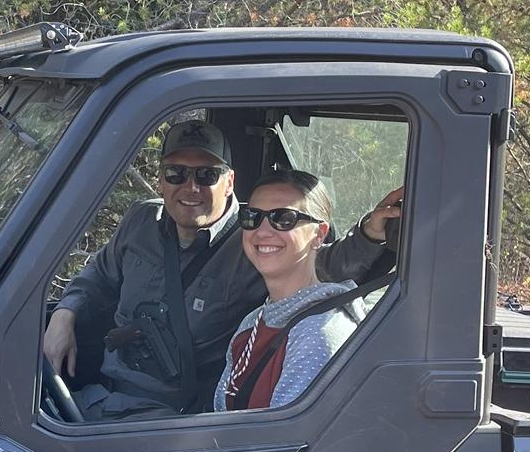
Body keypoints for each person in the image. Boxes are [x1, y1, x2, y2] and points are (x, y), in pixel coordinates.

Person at [44, 119, 401, 419]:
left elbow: (318, 263)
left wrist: (370, 233)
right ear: (160, 179)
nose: (191, 187)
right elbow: (99, 276)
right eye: (176, 173)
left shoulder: (256, 240)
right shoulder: (140, 220)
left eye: (206, 174)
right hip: (101, 397)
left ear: (229, 181)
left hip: (166, 423)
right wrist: (64, 314)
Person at [215, 172, 364, 411]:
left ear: (319, 234)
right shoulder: (253, 322)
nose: (262, 231)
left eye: (284, 218)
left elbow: (285, 441)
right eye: (252, 217)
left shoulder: (320, 331)